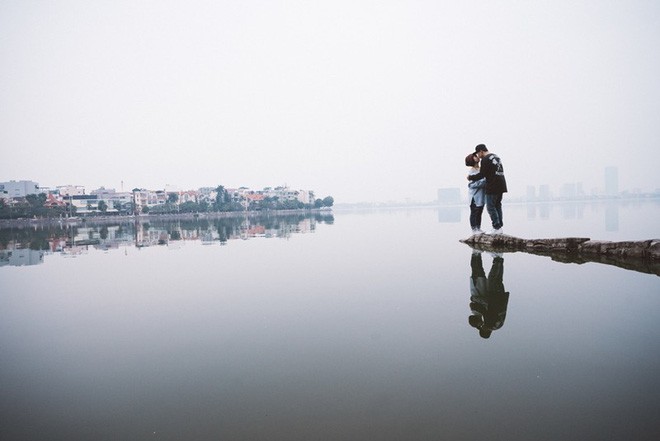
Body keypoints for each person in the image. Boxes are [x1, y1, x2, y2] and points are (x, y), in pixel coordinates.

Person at [468, 251, 510, 339]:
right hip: (496, 297)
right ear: (485, 330)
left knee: (496, 279)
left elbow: (486, 311)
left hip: (498, 297)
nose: (482, 325)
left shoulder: (496, 326)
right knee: (494, 278)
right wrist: (480, 323)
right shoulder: (491, 324)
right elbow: (484, 311)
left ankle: (498, 258)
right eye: (482, 328)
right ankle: (498, 257)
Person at [467, 144, 507, 234]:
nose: (478, 156)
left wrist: (470, 177)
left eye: (478, 154)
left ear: (481, 151)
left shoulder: (485, 159)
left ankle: (496, 227)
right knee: (497, 205)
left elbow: (482, 174)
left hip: (492, 186)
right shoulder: (496, 157)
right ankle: (499, 227)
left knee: (490, 207)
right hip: (501, 185)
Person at [465, 153, 486, 234]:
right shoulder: (472, 172)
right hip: (474, 196)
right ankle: (474, 230)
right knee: (474, 212)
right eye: (475, 156)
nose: (477, 157)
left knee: (479, 213)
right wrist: (484, 181)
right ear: (472, 159)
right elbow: (471, 185)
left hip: (481, 196)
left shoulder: (481, 170)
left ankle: (478, 228)